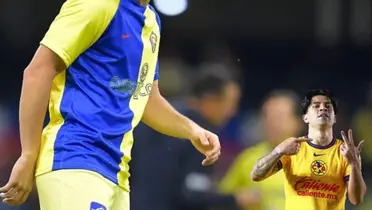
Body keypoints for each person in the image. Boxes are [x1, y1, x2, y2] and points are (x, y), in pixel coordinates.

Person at [0, 0, 221, 209]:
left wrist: (193, 130)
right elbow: (38, 71)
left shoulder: (151, 21)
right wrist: (28, 154)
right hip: (76, 157)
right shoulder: (98, 4)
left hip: (118, 172)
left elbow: (147, 100)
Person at [130, 69, 249, 210]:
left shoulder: (152, 120)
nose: (233, 111)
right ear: (210, 100)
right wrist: (234, 199)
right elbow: (192, 193)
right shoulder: (200, 135)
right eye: (231, 103)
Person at [250, 89, 367, 210]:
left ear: (334, 118)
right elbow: (256, 175)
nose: (323, 108)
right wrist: (278, 151)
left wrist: (354, 165)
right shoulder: (293, 148)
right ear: (305, 117)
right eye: (316, 106)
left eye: (328, 106)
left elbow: (356, 199)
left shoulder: (345, 152)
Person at [219, 90, 302, 210]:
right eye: (267, 116)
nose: (272, 122)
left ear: (297, 122)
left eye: (279, 117)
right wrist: (237, 199)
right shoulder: (247, 159)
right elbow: (222, 198)